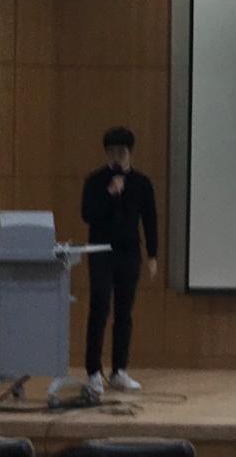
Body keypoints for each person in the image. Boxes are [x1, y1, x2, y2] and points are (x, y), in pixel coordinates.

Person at [81, 126, 158, 395]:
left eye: (121, 152)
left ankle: (119, 371)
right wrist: (110, 193)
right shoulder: (95, 181)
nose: (116, 156)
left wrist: (152, 255)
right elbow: (87, 214)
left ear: (130, 153)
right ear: (106, 153)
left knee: (124, 313)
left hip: (129, 254)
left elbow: (150, 219)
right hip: (101, 252)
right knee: (99, 309)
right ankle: (93, 372)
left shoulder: (142, 183)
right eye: (111, 152)